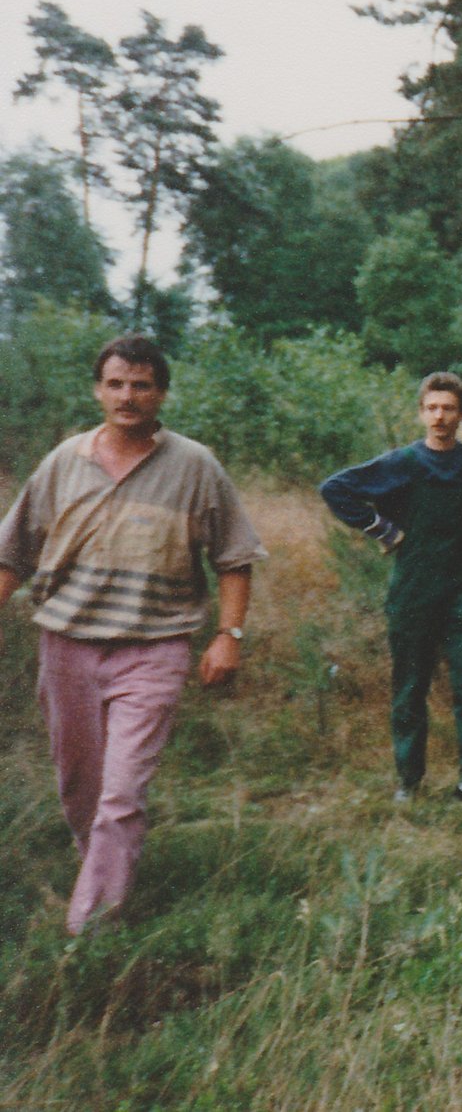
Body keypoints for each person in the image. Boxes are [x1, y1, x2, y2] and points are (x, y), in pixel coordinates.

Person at [0, 335, 266, 935]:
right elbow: (12, 554)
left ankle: (92, 928)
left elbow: (235, 559)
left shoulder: (196, 466)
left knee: (122, 792)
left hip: (155, 647)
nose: (128, 396)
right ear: (98, 390)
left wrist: (229, 635)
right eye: (116, 384)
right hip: (67, 645)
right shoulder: (63, 462)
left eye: (141, 385)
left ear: (161, 394)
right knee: (81, 787)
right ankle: (101, 869)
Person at [319, 372, 462, 805]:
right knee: (409, 687)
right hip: (412, 590)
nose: (440, 417)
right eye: (432, 408)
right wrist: (384, 530)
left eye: (448, 409)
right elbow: (335, 489)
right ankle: (409, 781)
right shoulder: (402, 463)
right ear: (421, 413)